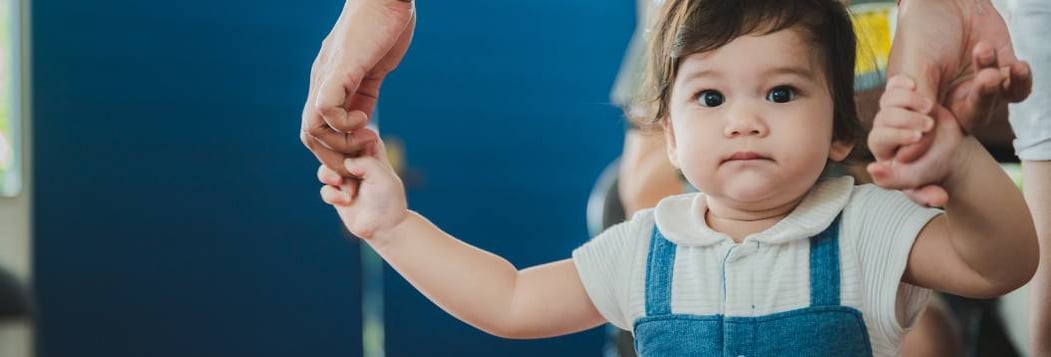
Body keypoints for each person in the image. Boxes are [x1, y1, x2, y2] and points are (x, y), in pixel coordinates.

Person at [313, 1, 1037, 355]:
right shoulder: (647, 248)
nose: (743, 120)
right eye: (710, 98)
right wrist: (392, 225)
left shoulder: (864, 228)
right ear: (668, 132)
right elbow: (507, 297)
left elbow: (1000, 261)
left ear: (841, 129)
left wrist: (958, 160)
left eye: (780, 93)